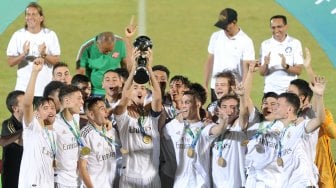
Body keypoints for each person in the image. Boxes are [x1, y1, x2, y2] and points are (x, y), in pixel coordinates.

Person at [114, 48, 162, 187]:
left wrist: (149, 69)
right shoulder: (123, 119)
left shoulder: (152, 117)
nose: (140, 90)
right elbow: (124, 96)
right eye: (136, 87)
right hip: (129, 177)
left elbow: (157, 96)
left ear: (146, 93)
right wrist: (134, 69)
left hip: (151, 177)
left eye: (143, 88)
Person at [275, 76, 326, 187]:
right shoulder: (282, 131)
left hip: (303, 183)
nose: (275, 108)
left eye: (291, 93)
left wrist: (319, 95)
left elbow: (319, 119)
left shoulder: (303, 123)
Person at [6, 2, 61, 100]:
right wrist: (23, 54)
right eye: (28, 14)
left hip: (44, 89)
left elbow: (56, 61)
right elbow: (10, 62)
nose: (30, 17)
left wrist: (44, 54)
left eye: (34, 14)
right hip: (23, 89)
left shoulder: (50, 35)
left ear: (41, 18)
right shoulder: (18, 35)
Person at [18, 58, 57, 187]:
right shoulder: (32, 127)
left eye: (52, 108)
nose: (50, 110)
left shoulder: (53, 134)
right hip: (32, 184)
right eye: (45, 108)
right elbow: (27, 103)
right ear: (37, 113)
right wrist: (34, 73)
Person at [204, 7, 255, 102]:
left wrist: (243, 91)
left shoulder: (246, 41)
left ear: (234, 22)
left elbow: (246, 69)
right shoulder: (215, 37)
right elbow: (210, 61)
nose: (224, 28)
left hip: (234, 88)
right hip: (216, 87)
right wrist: (205, 84)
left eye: (226, 25)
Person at [79, 97, 119, 188]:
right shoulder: (85, 135)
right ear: (92, 114)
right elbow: (82, 167)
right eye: (102, 109)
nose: (106, 111)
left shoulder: (110, 130)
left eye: (105, 107)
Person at [259, 15, 303, 94]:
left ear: (286, 27)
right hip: (270, 91)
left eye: (279, 27)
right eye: (273, 27)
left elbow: (299, 70)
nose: (276, 30)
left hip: (290, 91)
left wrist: (286, 66)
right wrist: (265, 64)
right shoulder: (265, 44)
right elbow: (262, 72)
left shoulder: (295, 43)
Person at [53, 85, 84, 187]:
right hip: (61, 180)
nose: (82, 101)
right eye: (79, 98)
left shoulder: (76, 117)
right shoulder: (54, 123)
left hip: (76, 178)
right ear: (67, 101)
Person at [1, 91, 25, 188]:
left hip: (25, 172)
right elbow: (21, 142)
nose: (29, 104)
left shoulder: (30, 123)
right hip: (12, 175)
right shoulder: (8, 124)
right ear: (15, 108)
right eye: (25, 103)